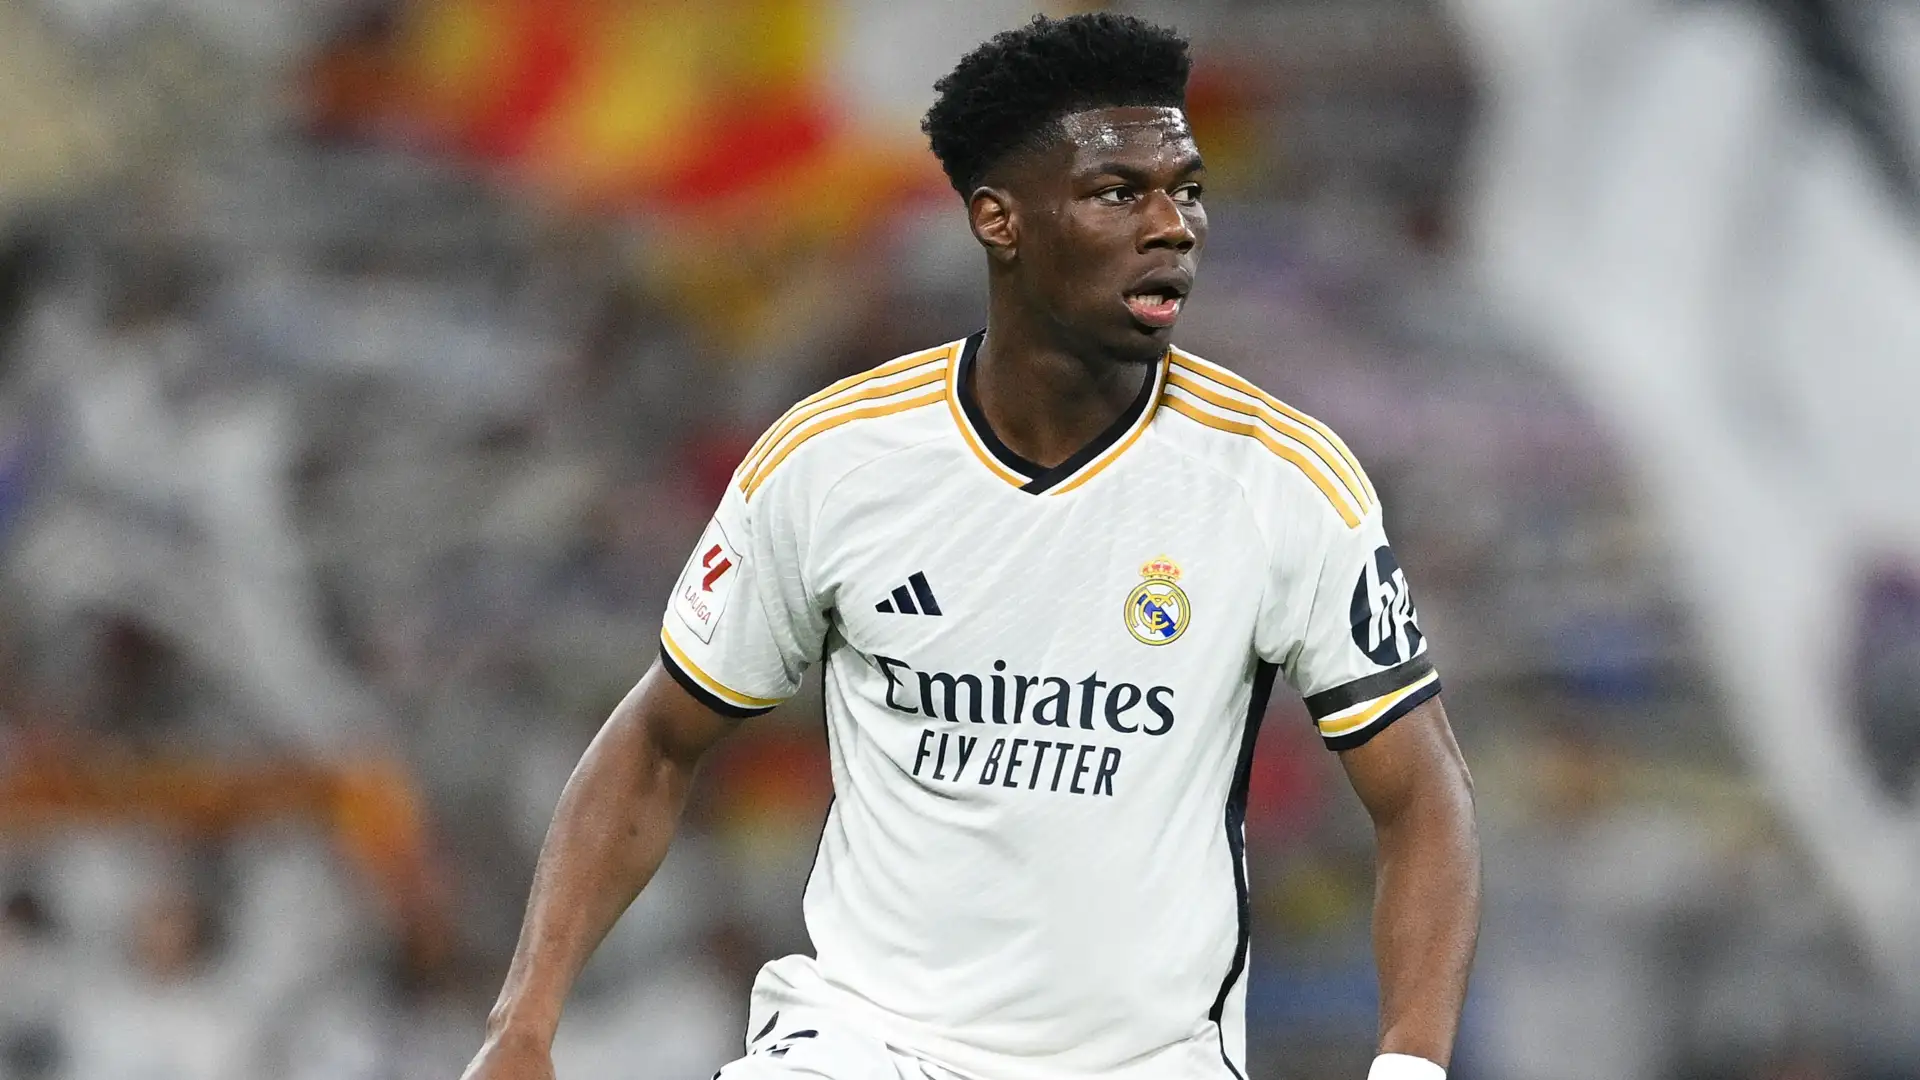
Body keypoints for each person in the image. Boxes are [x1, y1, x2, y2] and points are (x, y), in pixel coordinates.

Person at [461, 13, 1478, 1080]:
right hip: (865, 1048)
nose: (1172, 227)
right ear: (1000, 220)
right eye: (1119, 193)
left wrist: (1411, 1065)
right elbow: (660, 741)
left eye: (1188, 190)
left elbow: (1422, 791)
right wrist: (522, 1023)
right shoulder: (833, 461)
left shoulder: (1281, 481)